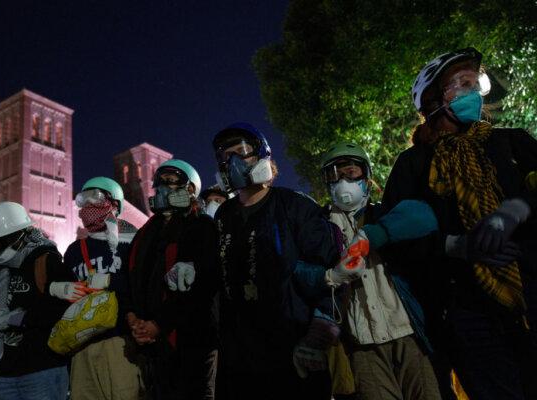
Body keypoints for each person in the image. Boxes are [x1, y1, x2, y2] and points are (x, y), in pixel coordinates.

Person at [382, 47, 537, 399]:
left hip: (529, 292)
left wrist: (514, 210)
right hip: (467, 310)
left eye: (475, 84)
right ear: (436, 99)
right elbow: (396, 237)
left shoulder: (511, 142)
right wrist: (455, 246)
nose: (474, 92)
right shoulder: (415, 164)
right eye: (462, 84)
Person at [211, 122, 343, 400]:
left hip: (293, 349)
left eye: (243, 151)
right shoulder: (224, 215)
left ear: (263, 157)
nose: (234, 161)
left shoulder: (295, 205)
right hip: (239, 357)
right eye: (227, 156)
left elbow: (330, 272)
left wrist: (320, 331)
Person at [319, 142, 442, 400]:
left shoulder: (383, 213)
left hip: (409, 334)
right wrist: (333, 276)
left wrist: (373, 234)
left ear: (366, 176)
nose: (343, 180)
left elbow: (425, 216)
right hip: (363, 346)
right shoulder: (320, 229)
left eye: (351, 172)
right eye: (334, 174)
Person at [126, 159, 219, 400]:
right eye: (160, 184)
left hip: (192, 342)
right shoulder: (147, 232)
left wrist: (159, 324)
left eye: (171, 183)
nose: (164, 188)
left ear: (190, 190)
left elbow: (202, 288)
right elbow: (134, 277)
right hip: (153, 345)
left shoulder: (202, 227)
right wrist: (134, 318)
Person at [52, 177, 143, 400]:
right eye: (84, 201)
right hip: (82, 342)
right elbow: (65, 293)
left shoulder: (133, 242)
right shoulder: (74, 250)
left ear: (114, 205)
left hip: (120, 341)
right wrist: (56, 289)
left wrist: (111, 281)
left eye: (97, 199)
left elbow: (142, 285)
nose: (89, 207)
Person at [0, 202, 74, 399]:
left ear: (18, 235)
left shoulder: (46, 260)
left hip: (42, 369)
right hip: (3, 371)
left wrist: (18, 319)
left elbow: (63, 308)